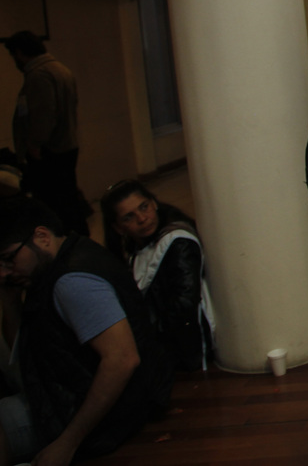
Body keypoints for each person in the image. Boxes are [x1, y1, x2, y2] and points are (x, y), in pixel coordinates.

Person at [0, 197, 173, 466]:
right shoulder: (58, 260)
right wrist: (10, 301)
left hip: (100, 416)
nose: (4, 272)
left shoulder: (72, 281)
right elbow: (24, 357)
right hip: (66, 396)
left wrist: (67, 443)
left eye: (9, 259)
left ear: (42, 237)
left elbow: (122, 360)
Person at [101, 181, 216, 372]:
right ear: (118, 227)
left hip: (187, 348)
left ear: (154, 203)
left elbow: (184, 305)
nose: (142, 219)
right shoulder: (135, 248)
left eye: (144, 207)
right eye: (129, 217)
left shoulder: (177, 241)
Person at [4, 32, 89, 236]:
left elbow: (44, 114)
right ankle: (77, 235)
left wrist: (34, 144)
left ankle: (63, 238)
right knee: (67, 196)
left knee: (54, 202)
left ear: (19, 53)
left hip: (49, 150)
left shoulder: (39, 75)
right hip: (66, 144)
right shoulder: (61, 69)